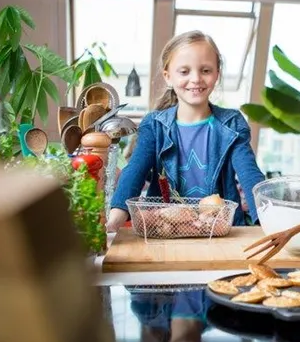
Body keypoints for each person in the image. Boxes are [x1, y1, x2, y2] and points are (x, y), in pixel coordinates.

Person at [107, 30, 265, 231]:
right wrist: (114, 221)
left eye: (205, 70)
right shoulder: (154, 125)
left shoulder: (232, 123)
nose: (196, 78)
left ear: (217, 74)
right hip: (165, 229)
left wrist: (266, 222)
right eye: (184, 71)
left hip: (220, 231)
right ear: (168, 77)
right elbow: (134, 172)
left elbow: (250, 175)